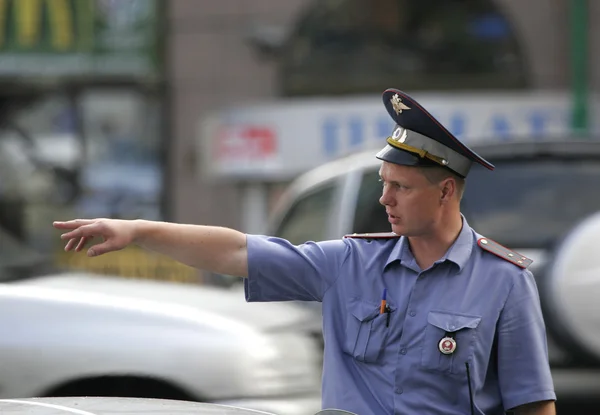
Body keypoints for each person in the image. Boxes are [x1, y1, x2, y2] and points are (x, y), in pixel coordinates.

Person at [54, 89, 556, 415]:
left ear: (446, 191)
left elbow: (532, 404)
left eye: (400, 186)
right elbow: (236, 252)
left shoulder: (504, 282)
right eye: (384, 183)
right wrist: (139, 230)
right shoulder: (349, 263)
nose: (384, 199)